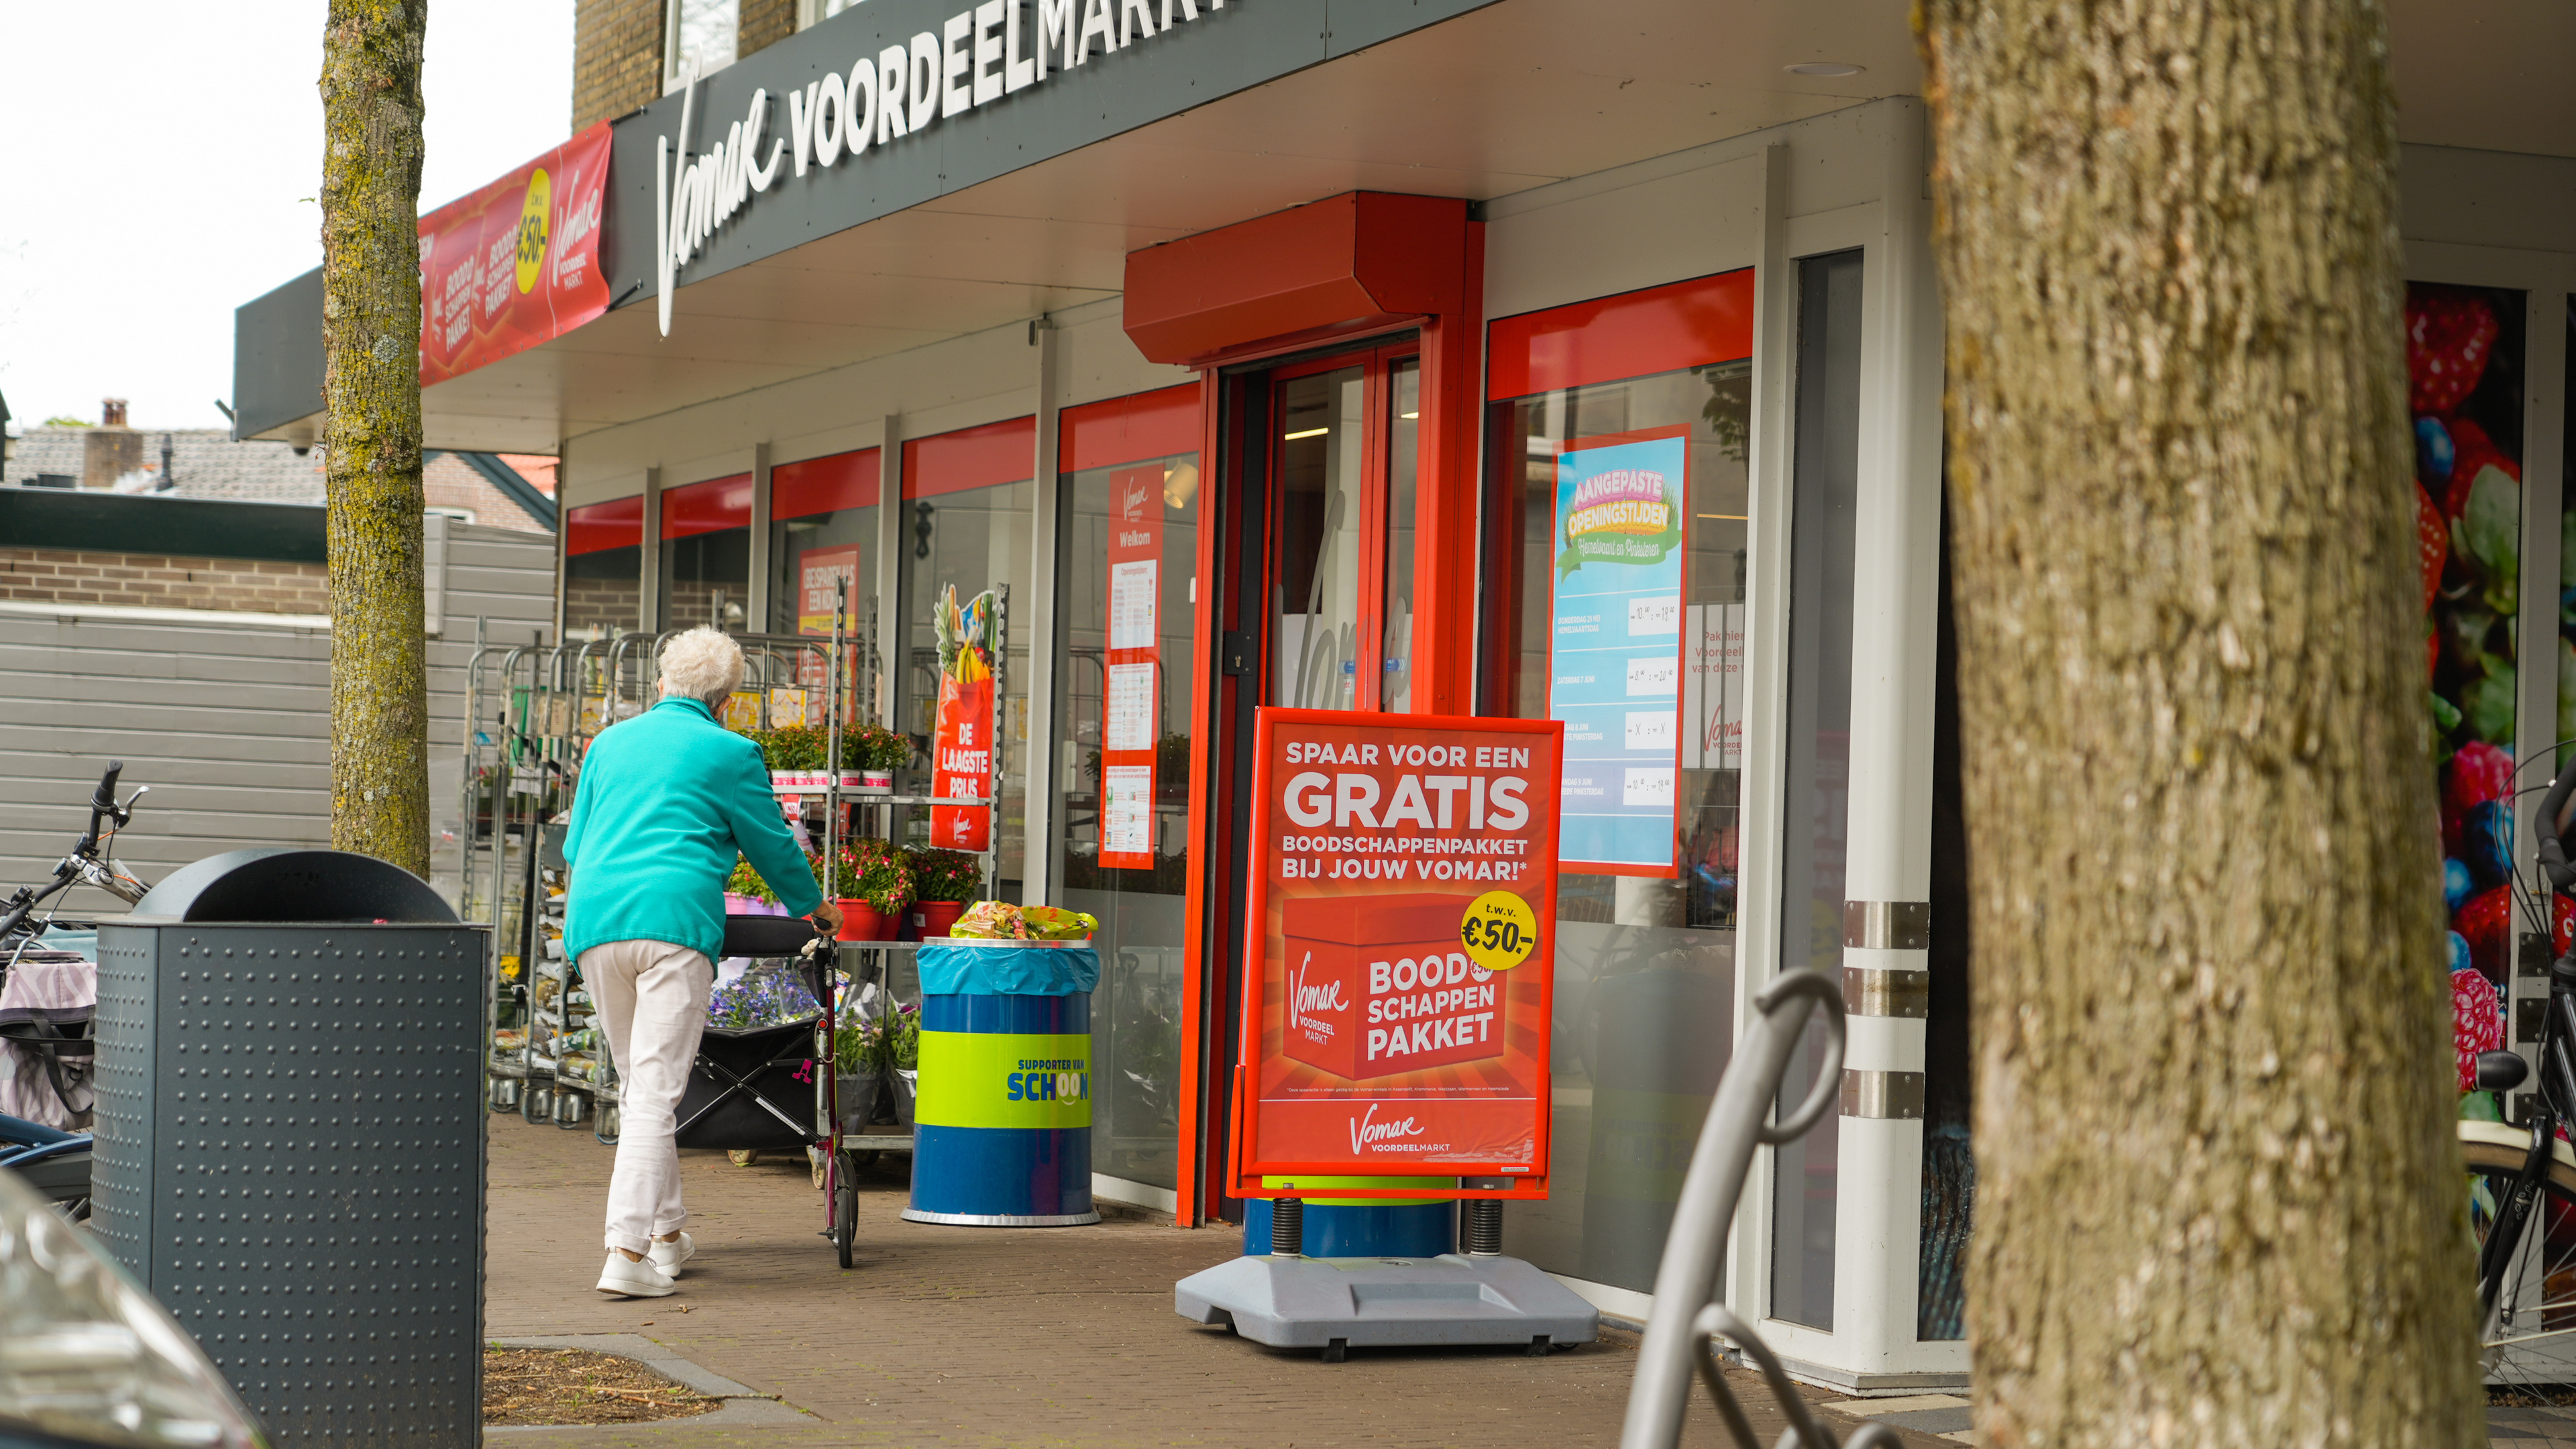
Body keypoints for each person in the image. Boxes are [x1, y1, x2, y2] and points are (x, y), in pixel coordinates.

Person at [561, 627, 842, 1298]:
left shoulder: (608, 744)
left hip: (596, 923)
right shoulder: (733, 752)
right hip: (676, 924)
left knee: (640, 1086)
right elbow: (772, 846)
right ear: (726, 702)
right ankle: (625, 1252)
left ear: (661, 684)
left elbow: (574, 846)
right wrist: (815, 907)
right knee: (656, 1093)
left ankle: (667, 1236)